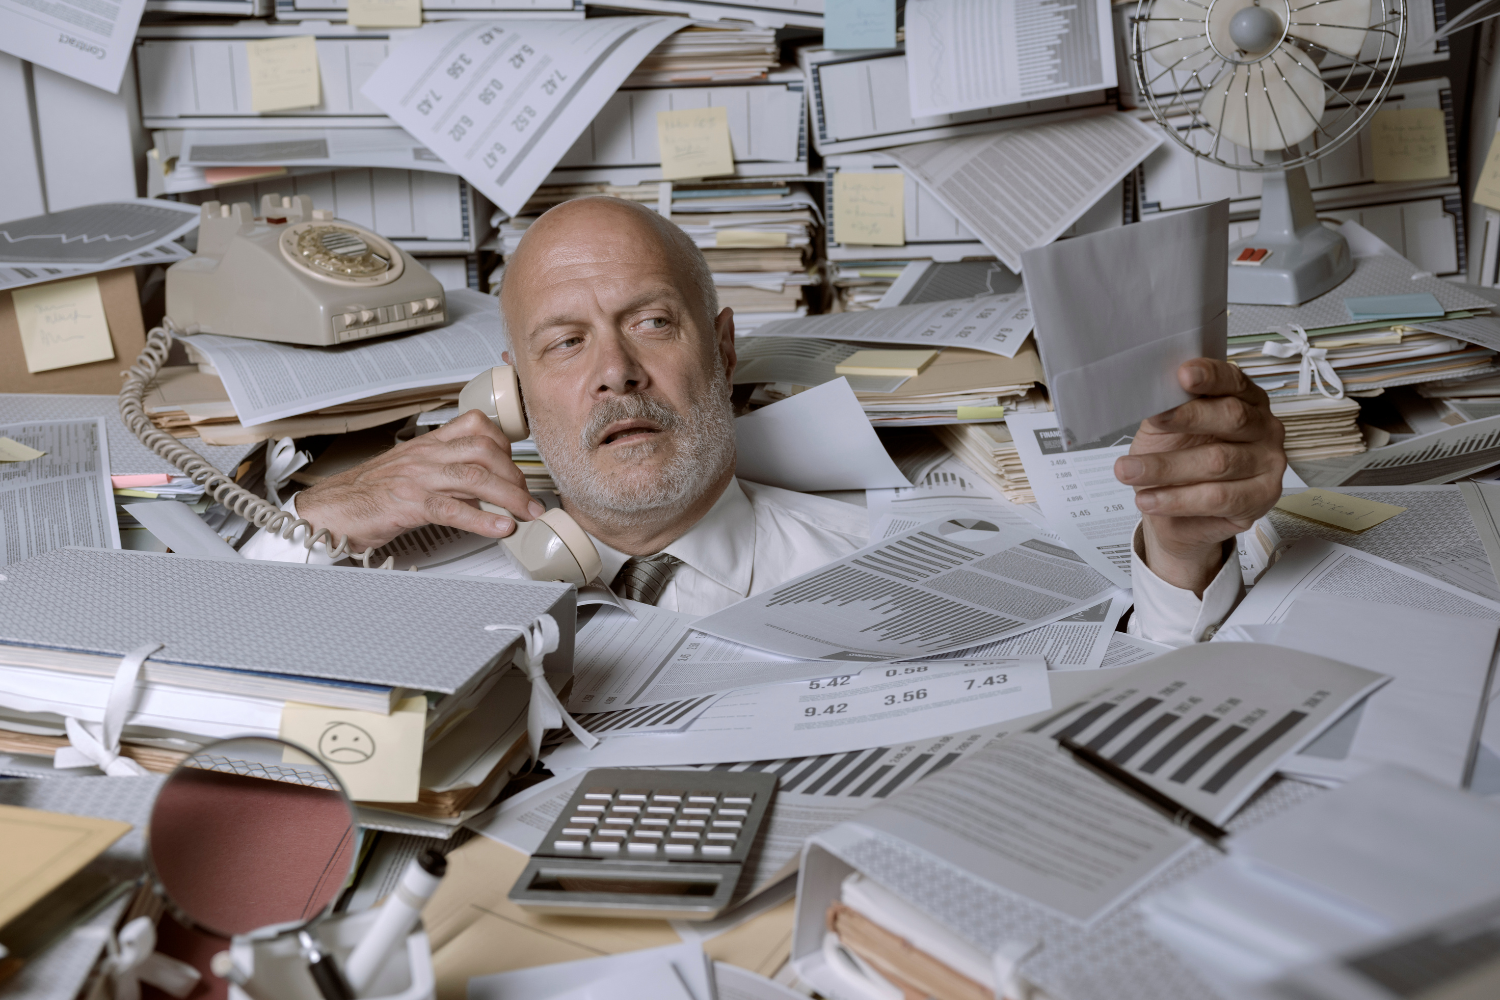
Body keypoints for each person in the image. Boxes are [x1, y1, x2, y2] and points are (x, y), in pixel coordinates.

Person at [242, 197, 1286, 637]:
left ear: (722, 347)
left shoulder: (883, 559)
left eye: (650, 323)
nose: (615, 372)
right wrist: (316, 525)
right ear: (510, 391)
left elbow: (1133, 680)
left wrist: (1184, 544)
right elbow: (175, 670)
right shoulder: (405, 575)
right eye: (565, 343)